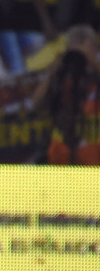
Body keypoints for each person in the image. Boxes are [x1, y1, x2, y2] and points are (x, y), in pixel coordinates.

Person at [32, 24, 100, 165]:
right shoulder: (63, 78)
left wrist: (92, 62)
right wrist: (53, 73)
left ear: (95, 49)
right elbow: (37, 105)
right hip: (62, 154)